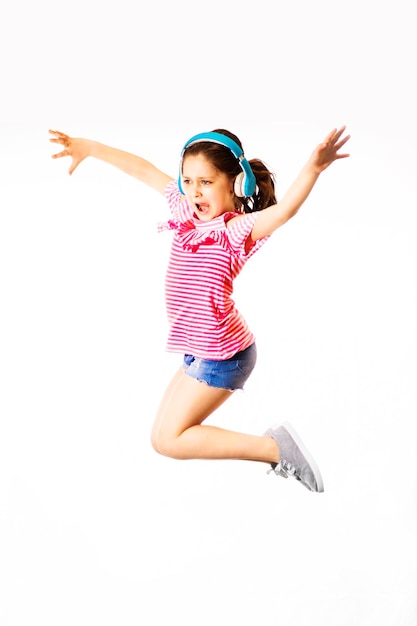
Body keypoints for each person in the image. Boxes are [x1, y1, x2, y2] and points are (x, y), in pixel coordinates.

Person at [49, 125, 350, 492]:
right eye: (188, 181)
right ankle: (274, 448)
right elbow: (143, 170)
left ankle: (274, 449)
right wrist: (92, 147)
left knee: (172, 440)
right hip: (198, 350)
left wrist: (313, 169)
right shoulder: (184, 211)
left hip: (224, 356)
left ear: (236, 185)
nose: (194, 191)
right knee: (160, 439)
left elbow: (285, 211)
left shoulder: (235, 230)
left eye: (205, 182)